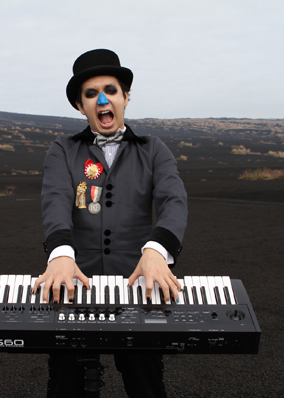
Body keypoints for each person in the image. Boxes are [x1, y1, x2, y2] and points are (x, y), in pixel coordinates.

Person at [34, 48, 188, 398]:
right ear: (80, 105)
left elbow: (174, 201)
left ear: (126, 97)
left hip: (140, 286)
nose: (102, 100)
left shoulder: (154, 149)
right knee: (64, 387)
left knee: (147, 387)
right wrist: (60, 254)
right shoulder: (63, 149)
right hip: (73, 285)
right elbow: (55, 200)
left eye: (110, 91)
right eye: (91, 94)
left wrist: (157, 251)